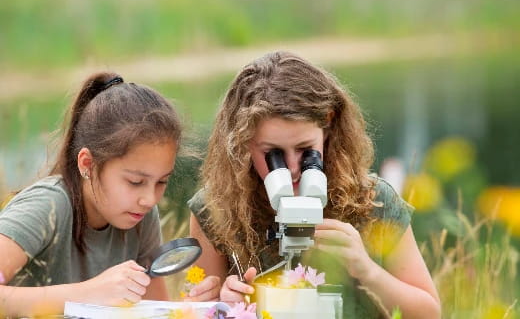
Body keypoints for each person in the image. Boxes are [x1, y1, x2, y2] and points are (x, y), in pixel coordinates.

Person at [189, 51, 441, 318]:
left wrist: (367, 271)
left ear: (328, 124)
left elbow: (429, 313)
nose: (293, 168)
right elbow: (195, 309)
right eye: (273, 153)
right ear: (242, 142)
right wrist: (223, 305)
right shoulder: (216, 209)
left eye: (305, 149)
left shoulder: (374, 199)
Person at [0, 72, 219, 317]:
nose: (149, 199)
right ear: (87, 164)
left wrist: (187, 309)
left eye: (161, 182)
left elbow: (152, 310)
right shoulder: (46, 207)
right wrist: (89, 293)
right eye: (135, 181)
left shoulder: (140, 215)